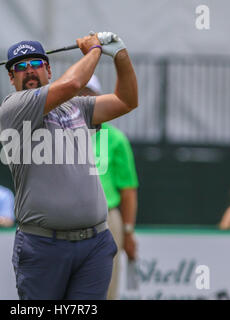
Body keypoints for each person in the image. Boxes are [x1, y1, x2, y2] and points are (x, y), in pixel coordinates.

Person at [0, 31, 138, 299]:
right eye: (20, 67)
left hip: (94, 244)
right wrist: (95, 49)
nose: (29, 71)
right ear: (11, 78)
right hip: (43, 245)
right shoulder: (13, 109)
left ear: (48, 70)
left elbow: (126, 101)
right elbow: (73, 83)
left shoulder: (76, 107)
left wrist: (120, 55)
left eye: (36, 64)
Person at [80, 75, 139, 300]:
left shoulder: (115, 139)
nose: (83, 98)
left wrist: (128, 231)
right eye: (79, 93)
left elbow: (128, 190)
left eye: (89, 93)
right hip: (68, 218)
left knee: (106, 285)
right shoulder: (59, 134)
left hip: (106, 219)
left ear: (99, 97)